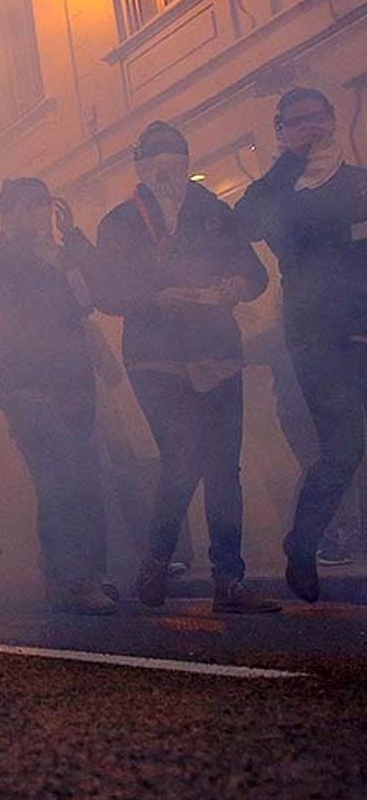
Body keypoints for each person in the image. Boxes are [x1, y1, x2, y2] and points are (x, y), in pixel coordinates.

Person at [91, 122, 279, 613]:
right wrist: (157, 296)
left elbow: (255, 274)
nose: (167, 166)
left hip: (216, 349)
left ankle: (230, 580)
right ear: (140, 167)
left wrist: (236, 284)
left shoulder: (214, 213)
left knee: (223, 467)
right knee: (182, 457)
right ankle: (155, 562)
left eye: (175, 156)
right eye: (155, 157)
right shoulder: (120, 223)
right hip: (155, 358)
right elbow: (106, 292)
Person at [235, 86, 367, 602]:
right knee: (342, 449)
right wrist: (287, 164)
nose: (310, 129)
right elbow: (245, 224)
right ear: (281, 132)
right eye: (296, 123)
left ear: (334, 119)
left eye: (317, 118)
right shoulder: (280, 194)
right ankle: (302, 543)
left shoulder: (359, 185)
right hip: (317, 340)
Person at [0, 178, 114, 614]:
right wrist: (40, 250)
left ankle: (88, 575)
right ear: (8, 212)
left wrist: (72, 240)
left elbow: (99, 296)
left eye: (43, 203)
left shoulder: (63, 255)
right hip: (30, 391)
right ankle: (69, 579)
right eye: (29, 205)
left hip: (74, 384)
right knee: (59, 483)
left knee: (85, 481)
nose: (40, 213)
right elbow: (26, 306)